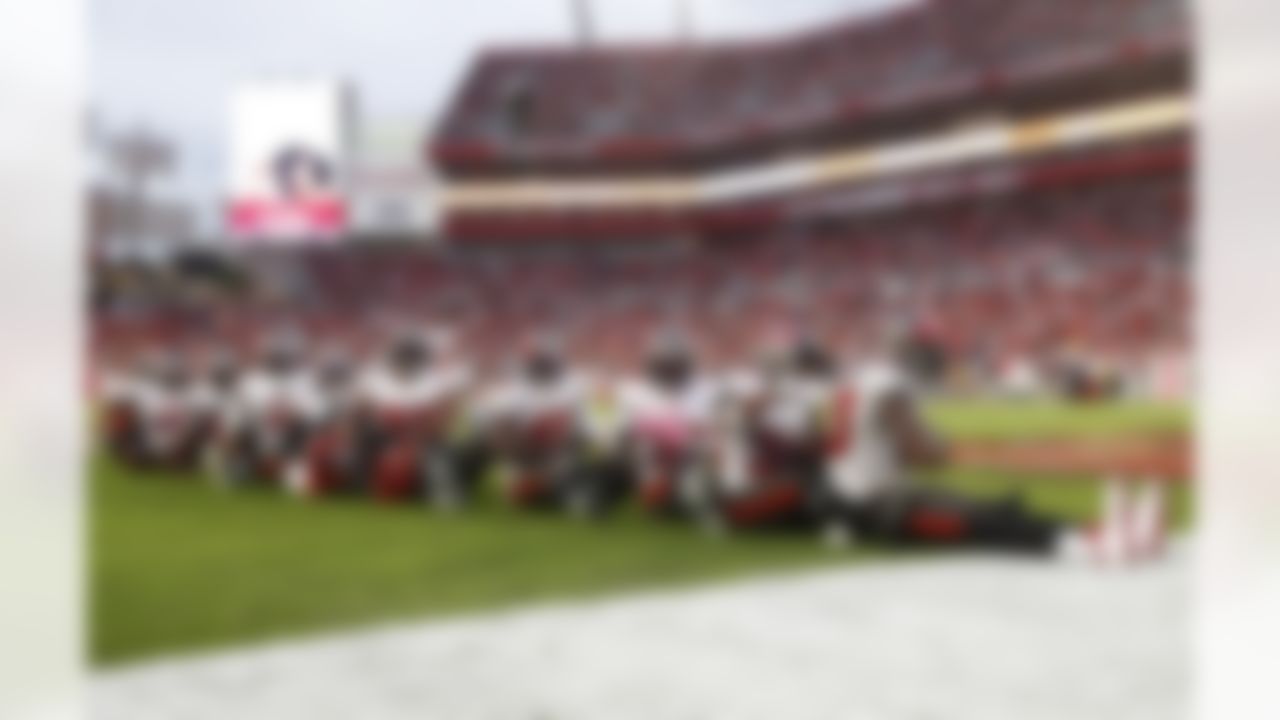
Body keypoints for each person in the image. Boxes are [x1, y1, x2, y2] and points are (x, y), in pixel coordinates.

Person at [820, 322, 1168, 563]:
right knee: (983, 519)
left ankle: (1094, 532)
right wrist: (938, 447)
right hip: (872, 503)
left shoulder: (860, 378)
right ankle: (1088, 544)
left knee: (988, 506)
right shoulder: (889, 383)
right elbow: (922, 453)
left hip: (855, 494)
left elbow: (875, 445)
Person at [360, 329, 473, 507]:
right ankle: (364, 482)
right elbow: (365, 414)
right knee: (366, 439)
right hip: (387, 437)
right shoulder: (376, 380)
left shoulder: (435, 383)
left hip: (423, 438)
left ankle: (443, 490)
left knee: (441, 451)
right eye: (404, 355)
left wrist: (415, 443)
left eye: (412, 356)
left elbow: (440, 419)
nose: (407, 361)